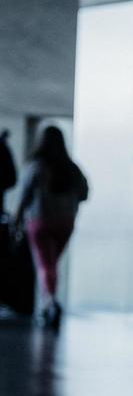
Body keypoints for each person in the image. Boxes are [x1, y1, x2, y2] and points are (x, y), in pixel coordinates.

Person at [15, 127, 88, 330]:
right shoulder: (71, 168)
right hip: (65, 221)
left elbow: (23, 196)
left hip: (39, 221)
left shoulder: (36, 166)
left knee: (44, 263)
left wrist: (17, 220)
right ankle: (49, 301)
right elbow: (84, 192)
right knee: (51, 264)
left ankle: (49, 303)